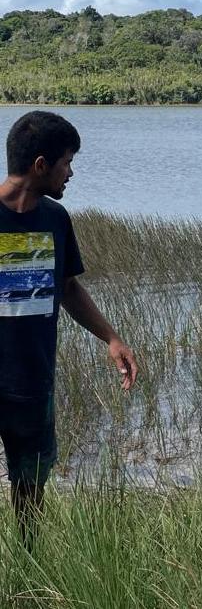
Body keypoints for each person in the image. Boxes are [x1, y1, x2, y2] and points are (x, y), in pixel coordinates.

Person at [0, 110, 138, 548]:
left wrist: (112, 338)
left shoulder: (56, 220)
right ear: (41, 165)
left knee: (31, 485)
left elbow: (68, 288)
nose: (71, 172)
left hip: (32, 380)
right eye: (67, 162)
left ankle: (29, 561)